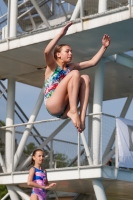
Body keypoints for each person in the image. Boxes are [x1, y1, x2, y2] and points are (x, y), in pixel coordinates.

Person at [44, 21, 110, 133]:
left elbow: (92, 62)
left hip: (65, 110)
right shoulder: (52, 66)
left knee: (85, 78)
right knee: (75, 73)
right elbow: (46, 52)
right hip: (53, 104)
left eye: (71, 51)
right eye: (67, 51)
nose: (70, 53)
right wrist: (61, 34)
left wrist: (104, 47)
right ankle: (74, 111)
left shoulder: (71, 67)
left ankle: (82, 118)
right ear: (58, 54)